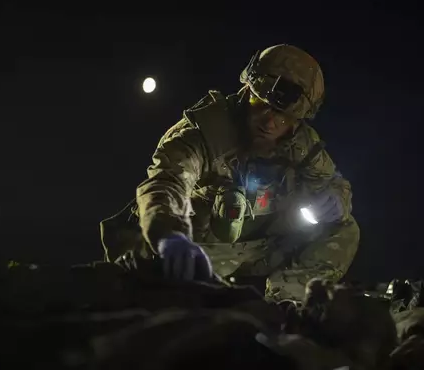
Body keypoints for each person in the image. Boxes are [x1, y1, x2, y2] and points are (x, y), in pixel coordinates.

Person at [101, 44, 360, 300]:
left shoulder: (303, 146)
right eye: (260, 103)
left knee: (343, 229)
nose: (269, 122)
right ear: (246, 90)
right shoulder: (203, 134)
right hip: (196, 251)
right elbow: (166, 184)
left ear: (297, 120)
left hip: (257, 249)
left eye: (282, 115)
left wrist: (337, 201)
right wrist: (169, 235)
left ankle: (286, 304)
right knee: (143, 277)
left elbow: (334, 185)